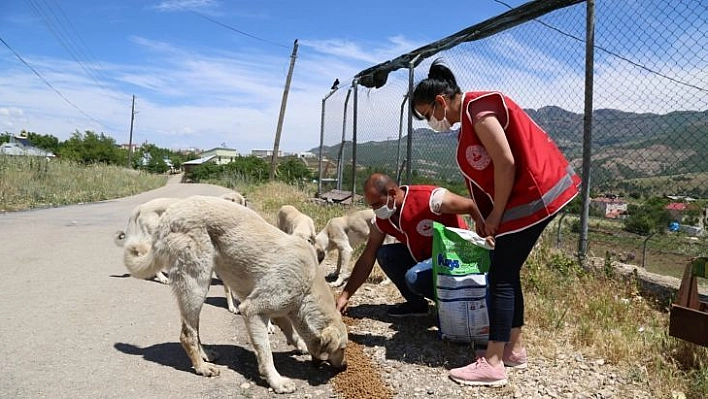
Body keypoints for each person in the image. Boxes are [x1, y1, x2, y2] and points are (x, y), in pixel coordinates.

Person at [411, 59, 581, 387]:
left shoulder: (478, 109)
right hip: (530, 199)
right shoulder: (472, 117)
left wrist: (495, 216)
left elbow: (505, 163)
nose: (430, 122)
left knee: (501, 274)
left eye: (427, 114)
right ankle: (513, 350)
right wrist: (490, 216)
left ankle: (492, 361)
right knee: (507, 269)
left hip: (534, 196)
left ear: (441, 102)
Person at [335, 172, 485, 318]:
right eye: (371, 205)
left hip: (454, 259)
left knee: (413, 277)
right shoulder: (382, 221)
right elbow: (368, 256)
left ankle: (455, 305)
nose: (374, 209)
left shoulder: (431, 199)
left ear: (392, 193)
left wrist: (486, 235)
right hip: (425, 259)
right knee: (385, 254)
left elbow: (471, 206)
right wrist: (345, 295)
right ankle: (417, 305)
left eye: (377, 204)